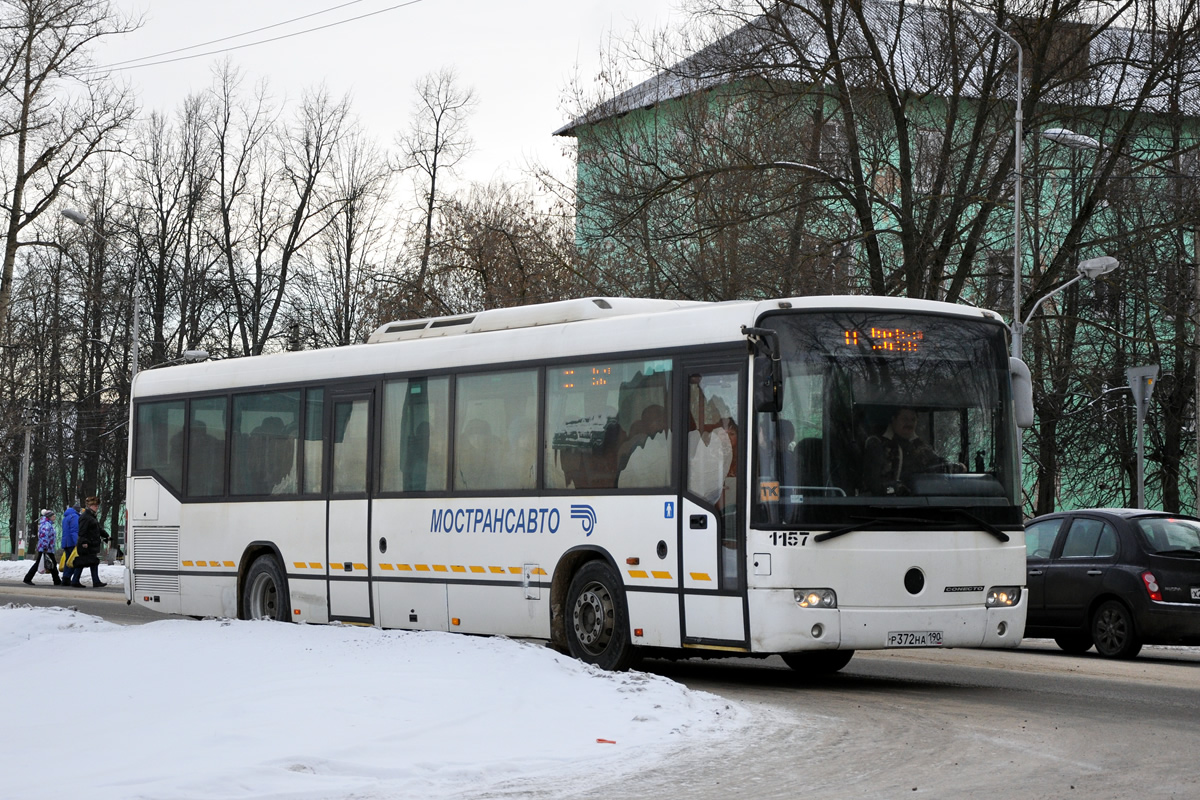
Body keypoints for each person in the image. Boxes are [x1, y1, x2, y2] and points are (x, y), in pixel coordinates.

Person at [862, 407, 964, 496]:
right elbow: (874, 485)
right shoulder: (877, 444)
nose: (909, 423)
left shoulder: (920, 446)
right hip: (885, 507)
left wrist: (954, 467)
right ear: (893, 419)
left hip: (919, 504)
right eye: (905, 419)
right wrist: (896, 488)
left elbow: (936, 463)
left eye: (913, 419)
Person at [71, 496, 108, 588]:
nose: (97, 507)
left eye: (97, 505)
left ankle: (94, 581)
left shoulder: (91, 516)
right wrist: (84, 542)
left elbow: (98, 529)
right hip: (87, 544)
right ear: (90, 506)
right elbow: (82, 531)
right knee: (83, 562)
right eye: (95, 505)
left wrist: (106, 535)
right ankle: (76, 580)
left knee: (92, 562)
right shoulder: (86, 517)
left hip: (92, 543)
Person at [23, 509, 62, 586]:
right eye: (53, 516)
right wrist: (45, 547)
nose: (54, 517)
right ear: (49, 517)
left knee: (51, 563)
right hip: (46, 548)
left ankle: (57, 580)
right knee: (46, 563)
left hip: (48, 548)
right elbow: (44, 537)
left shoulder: (47, 524)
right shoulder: (46, 525)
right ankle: (28, 578)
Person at [59, 505, 80, 586]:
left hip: (66, 542)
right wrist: (77, 542)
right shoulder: (74, 517)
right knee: (72, 561)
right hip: (71, 542)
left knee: (68, 560)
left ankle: (65, 578)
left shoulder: (66, 517)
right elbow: (74, 531)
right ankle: (67, 578)